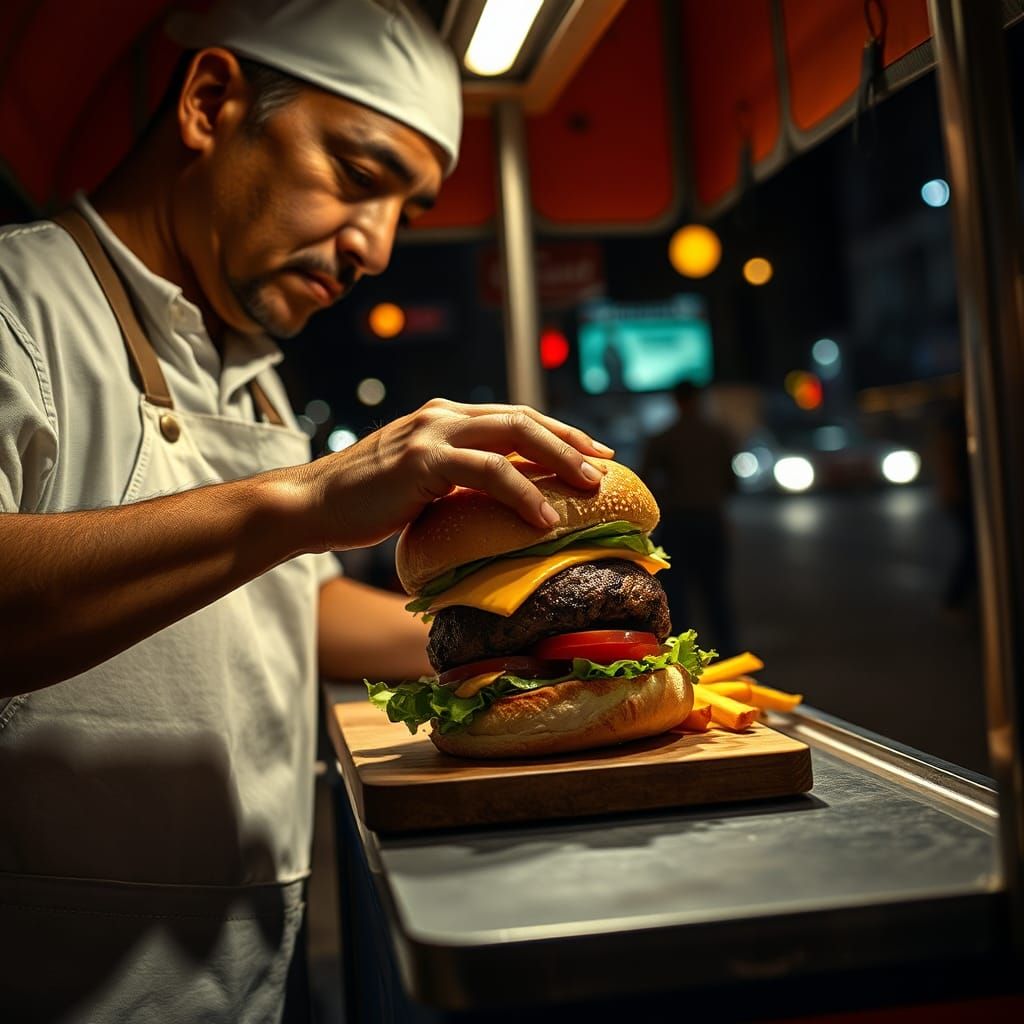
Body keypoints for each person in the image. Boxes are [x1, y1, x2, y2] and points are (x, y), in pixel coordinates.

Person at [0, 2, 612, 1021]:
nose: (374, 246)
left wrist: (540, 632)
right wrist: (311, 497)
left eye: (404, 212)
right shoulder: (19, 303)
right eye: (359, 176)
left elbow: (290, 609)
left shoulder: (258, 379)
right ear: (209, 103)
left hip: (248, 971)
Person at [640, 381, 738, 655]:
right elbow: (731, 482)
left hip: (677, 521)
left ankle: (682, 654)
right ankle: (728, 653)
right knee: (715, 590)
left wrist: (670, 493)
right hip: (711, 519)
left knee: (678, 593)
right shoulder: (718, 435)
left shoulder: (664, 437)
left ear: (676, 401)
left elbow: (646, 479)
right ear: (698, 399)